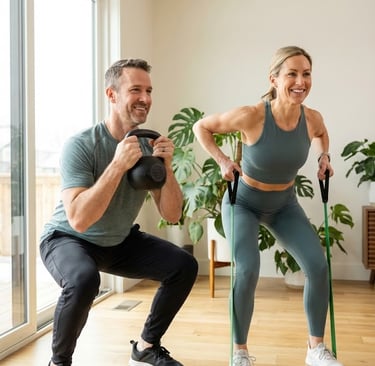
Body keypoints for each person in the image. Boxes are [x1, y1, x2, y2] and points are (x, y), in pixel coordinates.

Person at [39, 58, 198, 366]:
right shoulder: (81, 145)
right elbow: (79, 219)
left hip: (118, 241)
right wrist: (117, 164)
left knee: (183, 265)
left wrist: (167, 168)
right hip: (69, 238)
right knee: (84, 280)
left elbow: (172, 215)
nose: (146, 98)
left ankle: (146, 347)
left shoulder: (148, 145)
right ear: (112, 95)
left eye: (149, 91)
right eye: (135, 90)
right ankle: (59, 362)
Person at [193, 46, 343, 366]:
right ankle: (240, 353)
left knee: (317, 266)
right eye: (292, 74)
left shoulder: (312, 118)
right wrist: (221, 160)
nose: (300, 81)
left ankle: (315, 349)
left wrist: (323, 157)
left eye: (306, 73)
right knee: (247, 270)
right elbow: (201, 127)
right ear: (274, 79)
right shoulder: (252, 115)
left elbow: (322, 134)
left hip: (284, 204)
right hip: (244, 201)